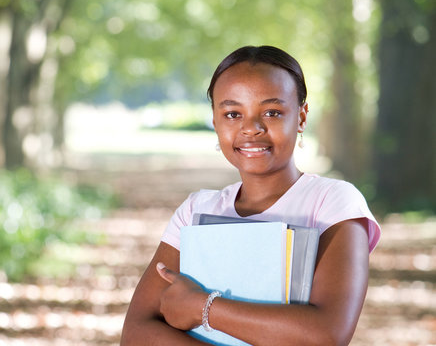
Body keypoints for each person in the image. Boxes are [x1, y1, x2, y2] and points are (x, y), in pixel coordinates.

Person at [120, 45, 381, 345]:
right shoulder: (194, 211)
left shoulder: (333, 203)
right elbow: (136, 333)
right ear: (215, 122)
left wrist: (202, 307)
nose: (251, 128)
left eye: (272, 112)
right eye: (232, 113)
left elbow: (326, 335)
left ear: (301, 117)